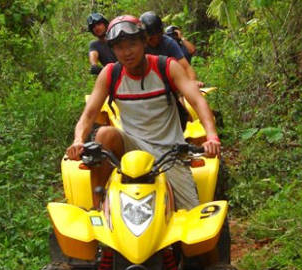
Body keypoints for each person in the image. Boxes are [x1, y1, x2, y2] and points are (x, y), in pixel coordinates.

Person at [66, 15, 221, 210]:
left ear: (143, 42)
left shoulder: (167, 67)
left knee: (194, 221)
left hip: (170, 152)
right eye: (120, 47)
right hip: (132, 147)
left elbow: (198, 100)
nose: (127, 52)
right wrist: (78, 140)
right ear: (113, 50)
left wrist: (212, 136)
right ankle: (99, 207)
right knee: (105, 134)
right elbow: (88, 115)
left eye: (132, 44)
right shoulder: (110, 74)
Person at [139, 11, 202, 86]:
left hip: (167, 82)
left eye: (158, 37)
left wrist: (192, 83)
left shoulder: (168, 43)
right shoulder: (138, 46)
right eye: (151, 38)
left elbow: (186, 67)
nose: (156, 40)